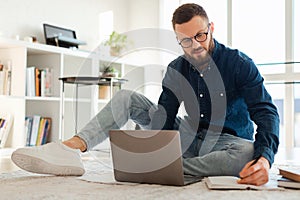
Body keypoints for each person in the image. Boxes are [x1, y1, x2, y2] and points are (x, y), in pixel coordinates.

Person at [11, 3, 279, 186]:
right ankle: (71, 148)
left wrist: (265, 159)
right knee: (127, 97)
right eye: (186, 40)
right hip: (187, 134)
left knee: (248, 153)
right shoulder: (176, 69)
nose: (195, 45)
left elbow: (266, 112)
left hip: (226, 143)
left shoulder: (239, 64)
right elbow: (164, 116)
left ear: (212, 28)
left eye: (200, 35)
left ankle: (165, 169)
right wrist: (153, 144)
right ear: (177, 39)